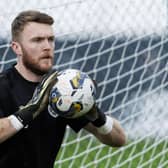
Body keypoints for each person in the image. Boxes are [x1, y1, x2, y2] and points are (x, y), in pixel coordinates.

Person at [0, 10, 126, 168]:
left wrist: (98, 116)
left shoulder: (63, 89)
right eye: (37, 40)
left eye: (50, 39)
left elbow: (120, 139)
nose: (47, 47)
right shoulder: (3, 86)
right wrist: (30, 111)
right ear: (17, 47)